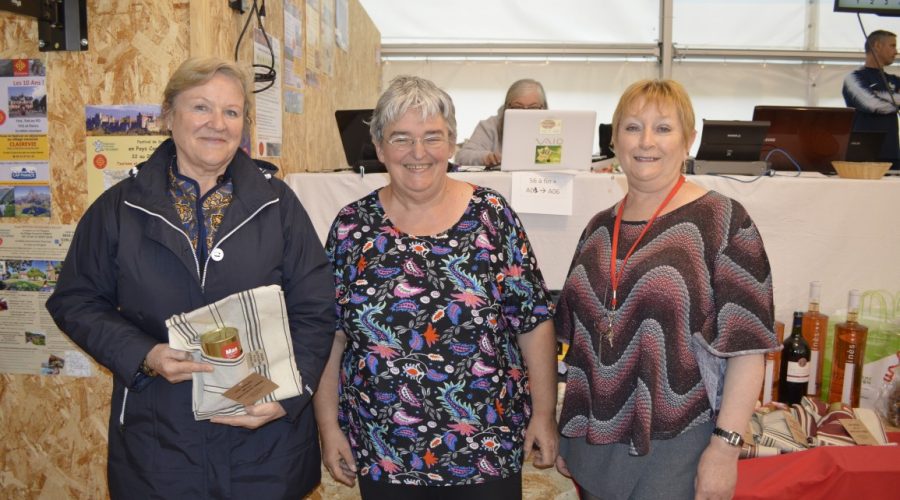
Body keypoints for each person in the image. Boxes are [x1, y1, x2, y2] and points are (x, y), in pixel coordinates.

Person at [45, 57, 335, 498]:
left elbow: (316, 308)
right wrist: (145, 354)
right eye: (201, 107)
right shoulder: (120, 208)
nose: (217, 123)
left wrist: (288, 398)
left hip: (264, 443)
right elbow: (75, 300)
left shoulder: (278, 206)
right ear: (168, 115)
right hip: (160, 442)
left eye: (231, 111)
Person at [315, 75, 558, 500]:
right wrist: (328, 426)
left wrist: (544, 414)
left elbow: (533, 322)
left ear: (451, 143)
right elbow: (329, 336)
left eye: (432, 137)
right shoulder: (352, 227)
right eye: (401, 139)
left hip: (486, 447)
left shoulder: (492, 216)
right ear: (379, 148)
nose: (418, 152)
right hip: (384, 449)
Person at [554, 79, 778, 500]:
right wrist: (569, 432)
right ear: (615, 140)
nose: (646, 141)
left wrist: (725, 449)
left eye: (663, 128)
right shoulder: (598, 229)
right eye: (632, 127)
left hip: (675, 452)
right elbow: (579, 346)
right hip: (592, 450)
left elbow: (748, 348)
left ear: (688, 140)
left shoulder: (723, 221)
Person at [454, 79, 547, 167]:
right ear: (507, 106)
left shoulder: (551, 127)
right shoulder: (490, 126)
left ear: (544, 108)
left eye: (533, 108)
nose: (525, 114)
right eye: (518, 107)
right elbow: (462, 156)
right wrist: (486, 157)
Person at [842, 29, 900, 169]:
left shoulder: (894, 80)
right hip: (862, 151)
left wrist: (878, 95)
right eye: (892, 46)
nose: (896, 51)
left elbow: (876, 101)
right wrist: (895, 102)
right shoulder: (854, 77)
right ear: (877, 46)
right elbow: (872, 104)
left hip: (892, 151)